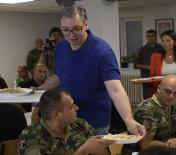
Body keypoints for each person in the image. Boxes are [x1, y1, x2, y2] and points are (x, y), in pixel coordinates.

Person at [36, 5, 145, 136]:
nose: (70, 35)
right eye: (65, 30)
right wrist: (37, 89)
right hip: (65, 119)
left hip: (94, 120)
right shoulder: (60, 46)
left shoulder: (102, 52)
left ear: (86, 24)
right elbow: (59, 77)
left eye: (76, 29)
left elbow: (116, 90)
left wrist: (129, 120)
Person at [19, 88, 114, 155]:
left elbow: (101, 151)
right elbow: (87, 148)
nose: (77, 108)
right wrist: (84, 150)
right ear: (56, 115)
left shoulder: (79, 125)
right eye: (71, 107)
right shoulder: (32, 136)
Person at [122, 75, 176, 154]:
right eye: (167, 91)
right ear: (158, 89)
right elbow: (145, 145)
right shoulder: (147, 109)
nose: (171, 96)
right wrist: (174, 146)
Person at [150, 30, 176, 96]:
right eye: (163, 41)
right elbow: (152, 76)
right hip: (161, 92)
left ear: (174, 42)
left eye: (168, 40)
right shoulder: (155, 56)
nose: (165, 43)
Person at [135, 29, 163, 99]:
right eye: (148, 36)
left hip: (159, 77)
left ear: (156, 37)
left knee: (160, 97)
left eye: (152, 36)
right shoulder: (142, 49)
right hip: (146, 78)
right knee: (147, 98)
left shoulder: (161, 48)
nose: (150, 38)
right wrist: (147, 67)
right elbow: (136, 65)